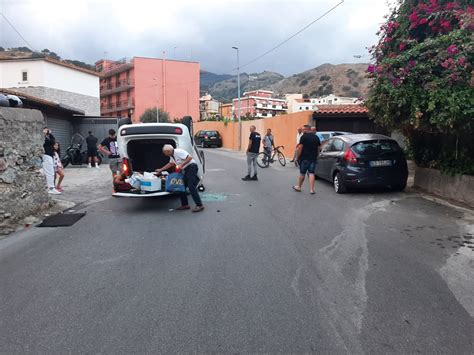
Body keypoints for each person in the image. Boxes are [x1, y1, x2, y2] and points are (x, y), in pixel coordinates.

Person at [156, 145, 204, 213]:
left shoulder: (178, 151)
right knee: (181, 186)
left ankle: (199, 205)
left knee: (191, 186)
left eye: (164, 152)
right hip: (187, 169)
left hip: (192, 167)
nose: (164, 154)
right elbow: (170, 164)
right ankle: (185, 205)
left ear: (168, 151)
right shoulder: (172, 156)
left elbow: (190, 157)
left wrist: (181, 165)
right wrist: (161, 169)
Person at [293, 125, 321, 194]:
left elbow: (300, 148)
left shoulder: (303, 137)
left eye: (303, 129)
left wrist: (297, 157)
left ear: (307, 129)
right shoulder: (316, 137)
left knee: (302, 173)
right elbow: (319, 148)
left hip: (304, 158)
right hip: (313, 158)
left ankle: (299, 187)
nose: (302, 131)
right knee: (311, 173)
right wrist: (317, 156)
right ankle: (311, 190)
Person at [42, 127, 61, 194]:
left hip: (48, 156)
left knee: (48, 173)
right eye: (46, 130)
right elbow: (53, 141)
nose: (47, 131)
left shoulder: (46, 138)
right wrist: (49, 134)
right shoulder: (43, 138)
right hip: (46, 156)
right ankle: (51, 188)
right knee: (50, 173)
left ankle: (49, 187)